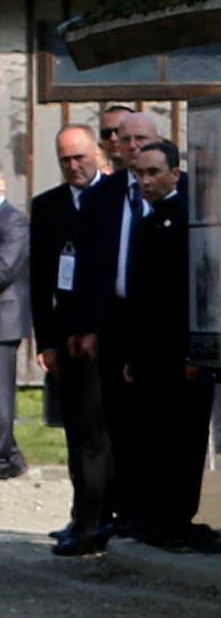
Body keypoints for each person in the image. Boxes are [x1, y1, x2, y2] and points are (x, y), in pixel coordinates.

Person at [71, 107, 162, 544]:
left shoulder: (169, 189)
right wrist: (86, 325)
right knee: (117, 420)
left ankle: (156, 509)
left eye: (141, 138)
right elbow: (88, 267)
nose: (133, 146)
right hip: (115, 318)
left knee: (157, 418)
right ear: (115, 147)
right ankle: (125, 511)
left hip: (159, 320)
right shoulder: (101, 198)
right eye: (125, 140)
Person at [121, 138, 208, 549]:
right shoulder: (146, 223)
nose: (145, 181)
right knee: (153, 438)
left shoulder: (190, 220)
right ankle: (155, 518)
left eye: (153, 172)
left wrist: (196, 349)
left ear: (175, 173)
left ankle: (178, 519)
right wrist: (133, 355)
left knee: (182, 439)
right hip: (151, 352)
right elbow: (140, 296)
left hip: (181, 352)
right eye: (139, 174)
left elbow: (197, 291)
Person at [32, 125, 107, 547]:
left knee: (102, 431)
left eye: (80, 157)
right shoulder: (48, 206)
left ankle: (98, 519)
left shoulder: (114, 197)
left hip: (106, 333)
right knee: (77, 429)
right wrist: (47, 341)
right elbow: (42, 281)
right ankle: (83, 515)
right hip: (66, 335)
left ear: (96, 153)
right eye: (66, 160)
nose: (74, 166)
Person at [0, 174, 29, 481]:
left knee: (0, 396)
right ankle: (13, 457)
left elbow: (6, 268)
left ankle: (3, 459)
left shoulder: (13, 221)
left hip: (3, 320)